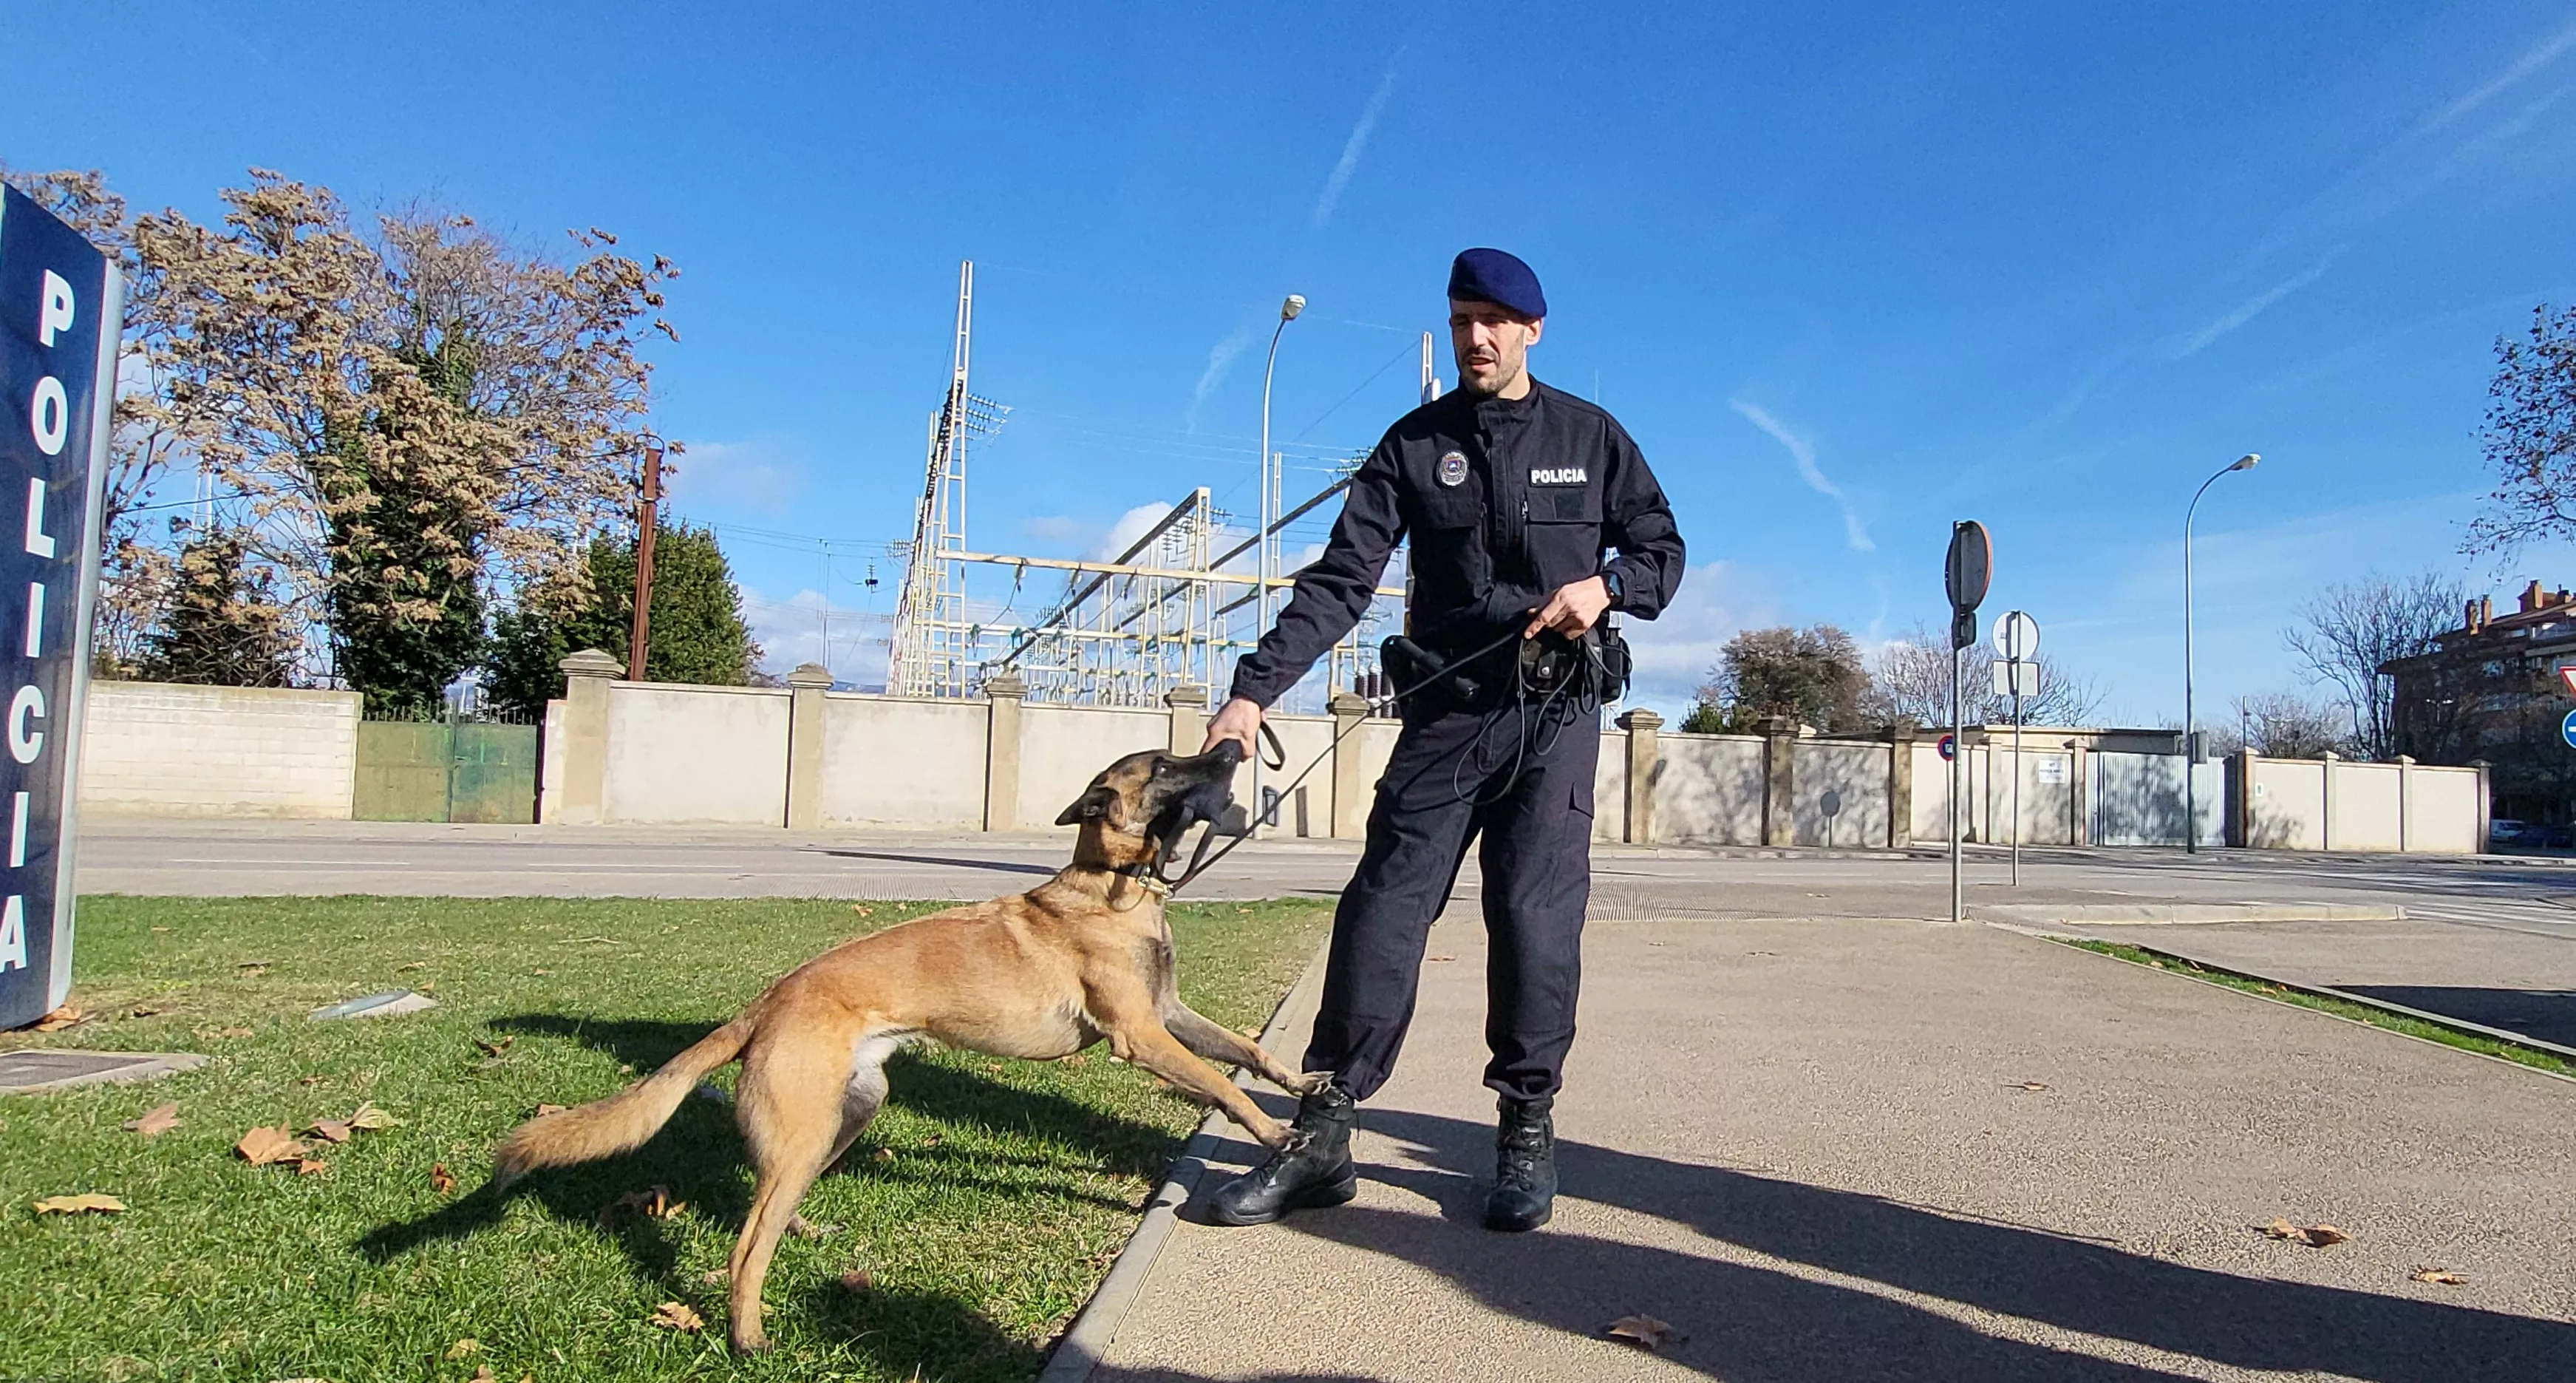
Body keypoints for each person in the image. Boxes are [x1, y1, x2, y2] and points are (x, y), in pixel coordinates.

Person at [1199, 247, 1686, 1231]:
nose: (1476, 337)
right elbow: (1342, 579)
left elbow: (1660, 552)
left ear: (1532, 329)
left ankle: (1525, 1127)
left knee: (1534, 923)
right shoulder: (1415, 445)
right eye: (1463, 320)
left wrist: (1605, 587)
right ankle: (1324, 1131)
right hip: (1446, 715)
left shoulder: (1591, 437)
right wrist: (1252, 693)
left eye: (1494, 321)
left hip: (1553, 720)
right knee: (1381, 909)